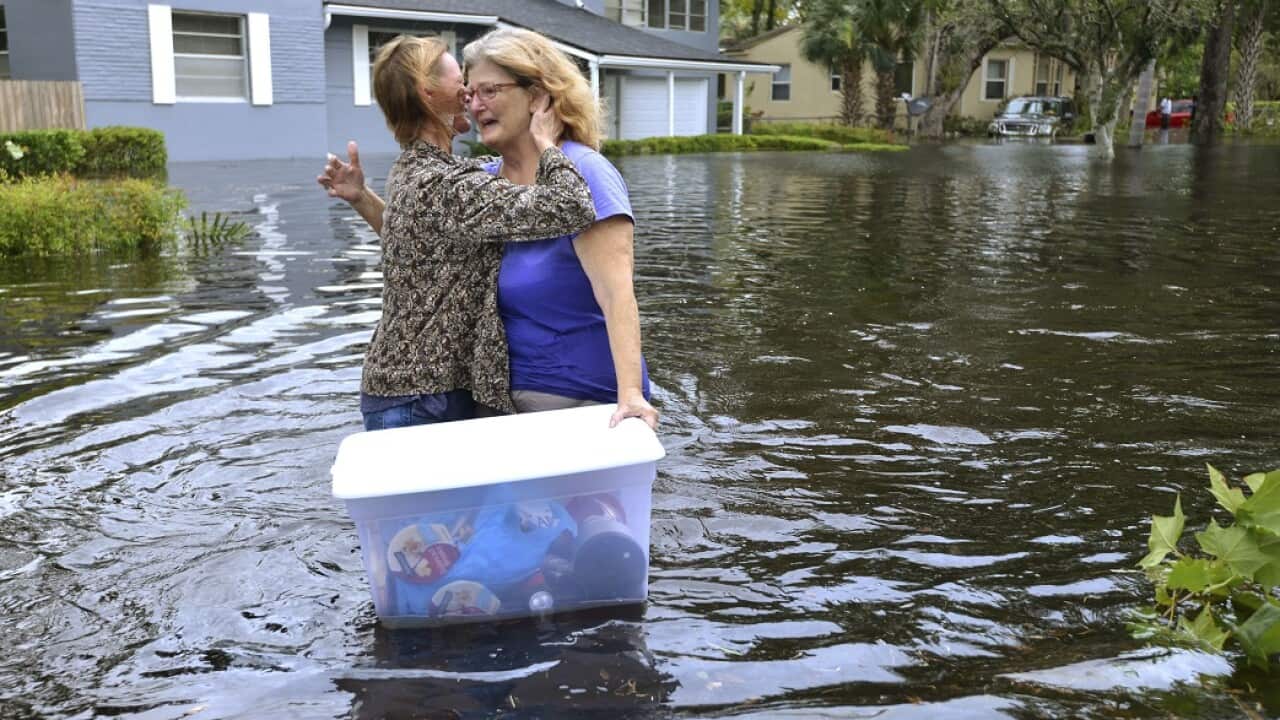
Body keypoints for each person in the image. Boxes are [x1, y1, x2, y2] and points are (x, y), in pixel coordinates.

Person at [327, 29, 659, 431]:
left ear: (537, 97)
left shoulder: (584, 171)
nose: (472, 101)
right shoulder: (475, 180)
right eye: (469, 90)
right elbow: (426, 248)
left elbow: (616, 292)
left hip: (577, 397)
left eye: (488, 90)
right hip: (474, 400)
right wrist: (363, 199)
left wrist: (631, 395)